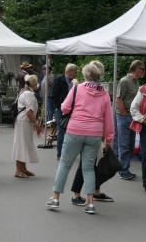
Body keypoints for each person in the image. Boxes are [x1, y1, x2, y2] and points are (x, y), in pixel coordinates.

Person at [46, 63, 114, 215]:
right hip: (94, 134)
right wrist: (108, 139)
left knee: (64, 164)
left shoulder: (78, 88)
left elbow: (64, 108)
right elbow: (109, 119)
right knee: (89, 168)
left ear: (85, 75)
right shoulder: (104, 94)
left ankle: (55, 198)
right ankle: (90, 203)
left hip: (75, 130)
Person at [116, 60, 145, 180]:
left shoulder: (136, 81)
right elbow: (119, 99)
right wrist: (124, 113)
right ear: (135, 69)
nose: (143, 71)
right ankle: (123, 170)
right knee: (124, 144)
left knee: (130, 143)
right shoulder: (124, 81)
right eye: (141, 69)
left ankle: (125, 169)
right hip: (125, 116)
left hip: (132, 116)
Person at [11, 75, 42, 178]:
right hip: (24, 122)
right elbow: (29, 112)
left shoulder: (25, 91)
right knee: (22, 144)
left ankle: (23, 168)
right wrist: (36, 124)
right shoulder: (29, 94)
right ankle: (18, 170)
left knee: (23, 144)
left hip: (23, 121)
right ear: (34, 83)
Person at [51, 63, 78, 160]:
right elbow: (54, 95)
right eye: (75, 72)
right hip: (61, 110)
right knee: (61, 131)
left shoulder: (75, 82)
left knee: (71, 132)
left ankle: (68, 153)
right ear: (69, 71)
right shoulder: (59, 80)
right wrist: (60, 107)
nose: (76, 74)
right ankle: (60, 154)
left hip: (72, 110)